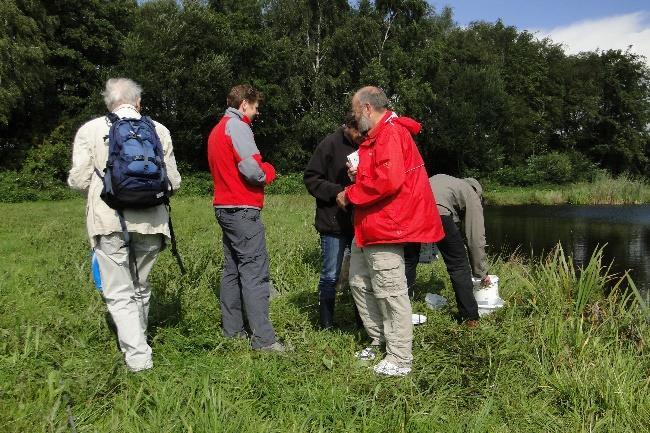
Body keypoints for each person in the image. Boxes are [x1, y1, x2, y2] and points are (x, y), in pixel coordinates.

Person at [68, 78, 182, 372]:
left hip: (109, 220)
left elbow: (79, 179)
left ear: (109, 103)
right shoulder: (159, 130)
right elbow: (174, 182)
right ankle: (138, 342)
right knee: (140, 287)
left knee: (119, 292)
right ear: (138, 102)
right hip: (152, 221)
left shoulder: (91, 130)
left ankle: (139, 360)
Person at [336, 86, 444, 376]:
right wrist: (358, 176)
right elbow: (381, 176)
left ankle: (400, 358)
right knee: (359, 283)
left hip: (386, 226)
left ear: (368, 108)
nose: (354, 117)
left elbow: (390, 181)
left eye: (356, 111)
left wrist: (351, 193)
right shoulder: (375, 138)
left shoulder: (391, 133)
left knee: (390, 290)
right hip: (368, 225)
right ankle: (379, 340)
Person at [207, 84, 284, 352]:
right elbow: (252, 170)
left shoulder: (217, 130)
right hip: (242, 209)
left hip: (224, 207)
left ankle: (233, 332)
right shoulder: (238, 127)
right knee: (254, 272)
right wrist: (268, 171)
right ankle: (263, 340)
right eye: (255, 107)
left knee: (232, 271)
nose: (256, 113)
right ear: (243, 105)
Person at [304, 113, 364, 329]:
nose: (362, 136)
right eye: (359, 131)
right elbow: (311, 179)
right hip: (332, 223)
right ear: (348, 126)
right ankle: (326, 325)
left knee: (360, 276)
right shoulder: (329, 144)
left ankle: (363, 323)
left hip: (359, 222)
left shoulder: (367, 144)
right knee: (330, 275)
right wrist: (340, 191)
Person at [429, 174, 490, 328]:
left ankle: (401, 313)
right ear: (478, 192)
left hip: (410, 210)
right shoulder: (472, 194)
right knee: (459, 266)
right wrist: (481, 272)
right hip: (437, 212)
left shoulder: (449, 183)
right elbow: (475, 239)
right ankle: (470, 318)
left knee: (408, 261)